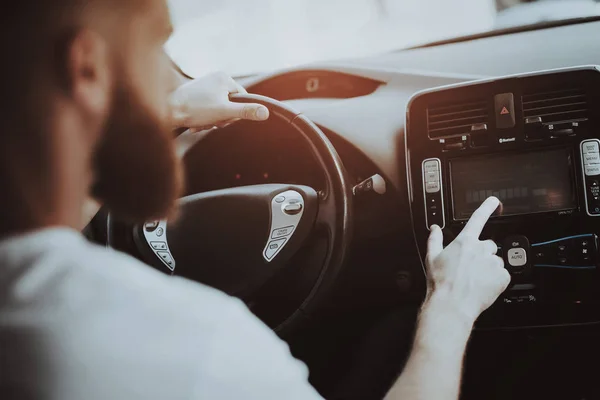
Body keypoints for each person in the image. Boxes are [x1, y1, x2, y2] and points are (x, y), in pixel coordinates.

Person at [0, 1, 510, 399]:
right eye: (155, 50)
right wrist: (450, 304)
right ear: (87, 69)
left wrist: (165, 108)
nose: (164, 75)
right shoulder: (193, 345)